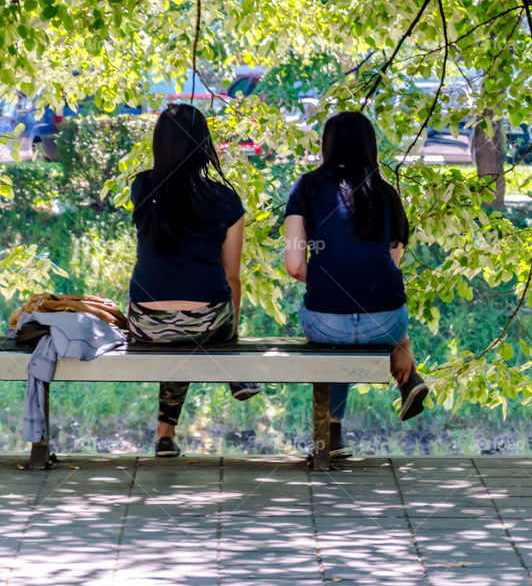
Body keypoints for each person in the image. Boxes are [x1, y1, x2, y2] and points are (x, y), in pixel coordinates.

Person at [284, 111, 428, 458]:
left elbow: (294, 265)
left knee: (335, 333)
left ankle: (331, 436)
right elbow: (389, 268)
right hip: (387, 323)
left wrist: (327, 276)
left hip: (326, 323)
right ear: (370, 146)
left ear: (326, 144)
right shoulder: (387, 193)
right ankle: (408, 374)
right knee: (367, 308)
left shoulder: (306, 187)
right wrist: (400, 338)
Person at [127, 103, 261, 458]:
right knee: (194, 326)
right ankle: (235, 370)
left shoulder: (142, 187)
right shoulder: (225, 199)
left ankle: (165, 435)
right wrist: (232, 333)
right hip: (207, 321)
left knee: (177, 331)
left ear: (159, 143)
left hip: (145, 321)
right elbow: (232, 276)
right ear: (204, 144)